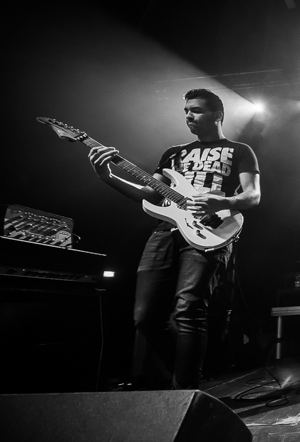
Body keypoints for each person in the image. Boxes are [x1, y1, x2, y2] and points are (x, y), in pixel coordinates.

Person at [88, 88, 261, 389]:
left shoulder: (239, 150)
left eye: (196, 110)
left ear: (217, 114)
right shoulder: (173, 153)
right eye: (186, 111)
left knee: (188, 308)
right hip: (165, 231)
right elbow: (149, 193)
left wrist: (220, 202)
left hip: (210, 229)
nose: (189, 116)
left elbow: (253, 196)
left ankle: (185, 391)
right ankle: (187, 373)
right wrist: (108, 176)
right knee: (144, 317)